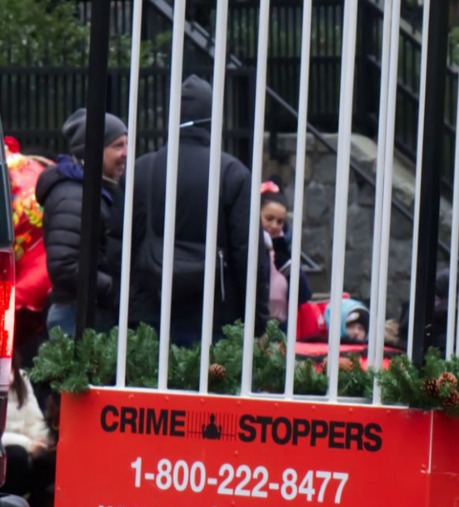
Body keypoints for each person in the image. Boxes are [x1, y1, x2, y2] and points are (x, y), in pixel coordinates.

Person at [129, 75, 268, 347]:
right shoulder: (232, 172)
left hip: (151, 313)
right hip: (216, 314)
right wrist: (257, 321)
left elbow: (120, 246)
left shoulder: (141, 170)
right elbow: (248, 253)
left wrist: (129, 307)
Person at [36, 108, 127, 336]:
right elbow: (65, 265)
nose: (126, 153)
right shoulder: (75, 196)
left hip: (87, 312)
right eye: (117, 146)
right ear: (93, 151)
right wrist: (115, 288)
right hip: (77, 316)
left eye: (126, 145)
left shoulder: (98, 190)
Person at [2, 368, 54, 507]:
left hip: (25, 446)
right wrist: (27, 443)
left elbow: (34, 420)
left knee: (49, 460)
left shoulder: (20, 376)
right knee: (17, 456)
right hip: (10, 447)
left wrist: (43, 440)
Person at [259, 180, 312, 327]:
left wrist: (287, 265)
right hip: (252, 324)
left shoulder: (285, 249)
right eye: (269, 219)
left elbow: (304, 295)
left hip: (280, 326)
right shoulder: (245, 245)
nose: (274, 226)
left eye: (280, 221)